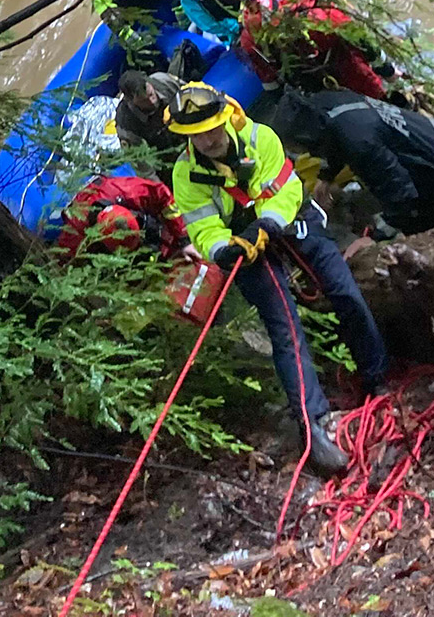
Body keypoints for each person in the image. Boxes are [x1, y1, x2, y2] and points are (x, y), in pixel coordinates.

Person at [165, 82, 388, 477]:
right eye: (196, 135)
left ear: (224, 119)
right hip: (243, 244)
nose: (207, 139)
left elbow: (285, 190)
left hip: (288, 221)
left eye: (211, 129)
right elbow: (202, 228)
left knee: (344, 291)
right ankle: (313, 424)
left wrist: (267, 223)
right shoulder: (186, 174)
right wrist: (224, 249)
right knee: (284, 325)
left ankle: (376, 376)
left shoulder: (258, 137)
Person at [272, 88, 434, 235]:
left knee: (426, 215)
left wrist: (379, 234)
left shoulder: (359, 142)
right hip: (422, 136)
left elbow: (400, 193)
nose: (297, 151)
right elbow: (336, 143)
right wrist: (326, 177)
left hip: (433, 155)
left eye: (295, 145)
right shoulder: (327, 106)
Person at [240, 0, 389, 99]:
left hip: (341, 61)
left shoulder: (316, 19)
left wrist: (385, 68)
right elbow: (269, 79)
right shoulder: (252, 44)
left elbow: (358, 37)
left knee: (373, 91)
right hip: (312, 84)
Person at [56, 174, 199, 262]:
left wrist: (184, 239)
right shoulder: (74, 237)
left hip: (103, 186)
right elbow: (64, 263)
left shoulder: (127, 191)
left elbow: (162, 196)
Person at [115, 69, 184, 181]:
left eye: (151, 95)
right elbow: (142, 166)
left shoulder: (163, 82)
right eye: (144, 101)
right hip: (163, 161)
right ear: (130, 101)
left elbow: (193, 96)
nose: (152, 102)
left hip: (188, 137)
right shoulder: (127, 124)